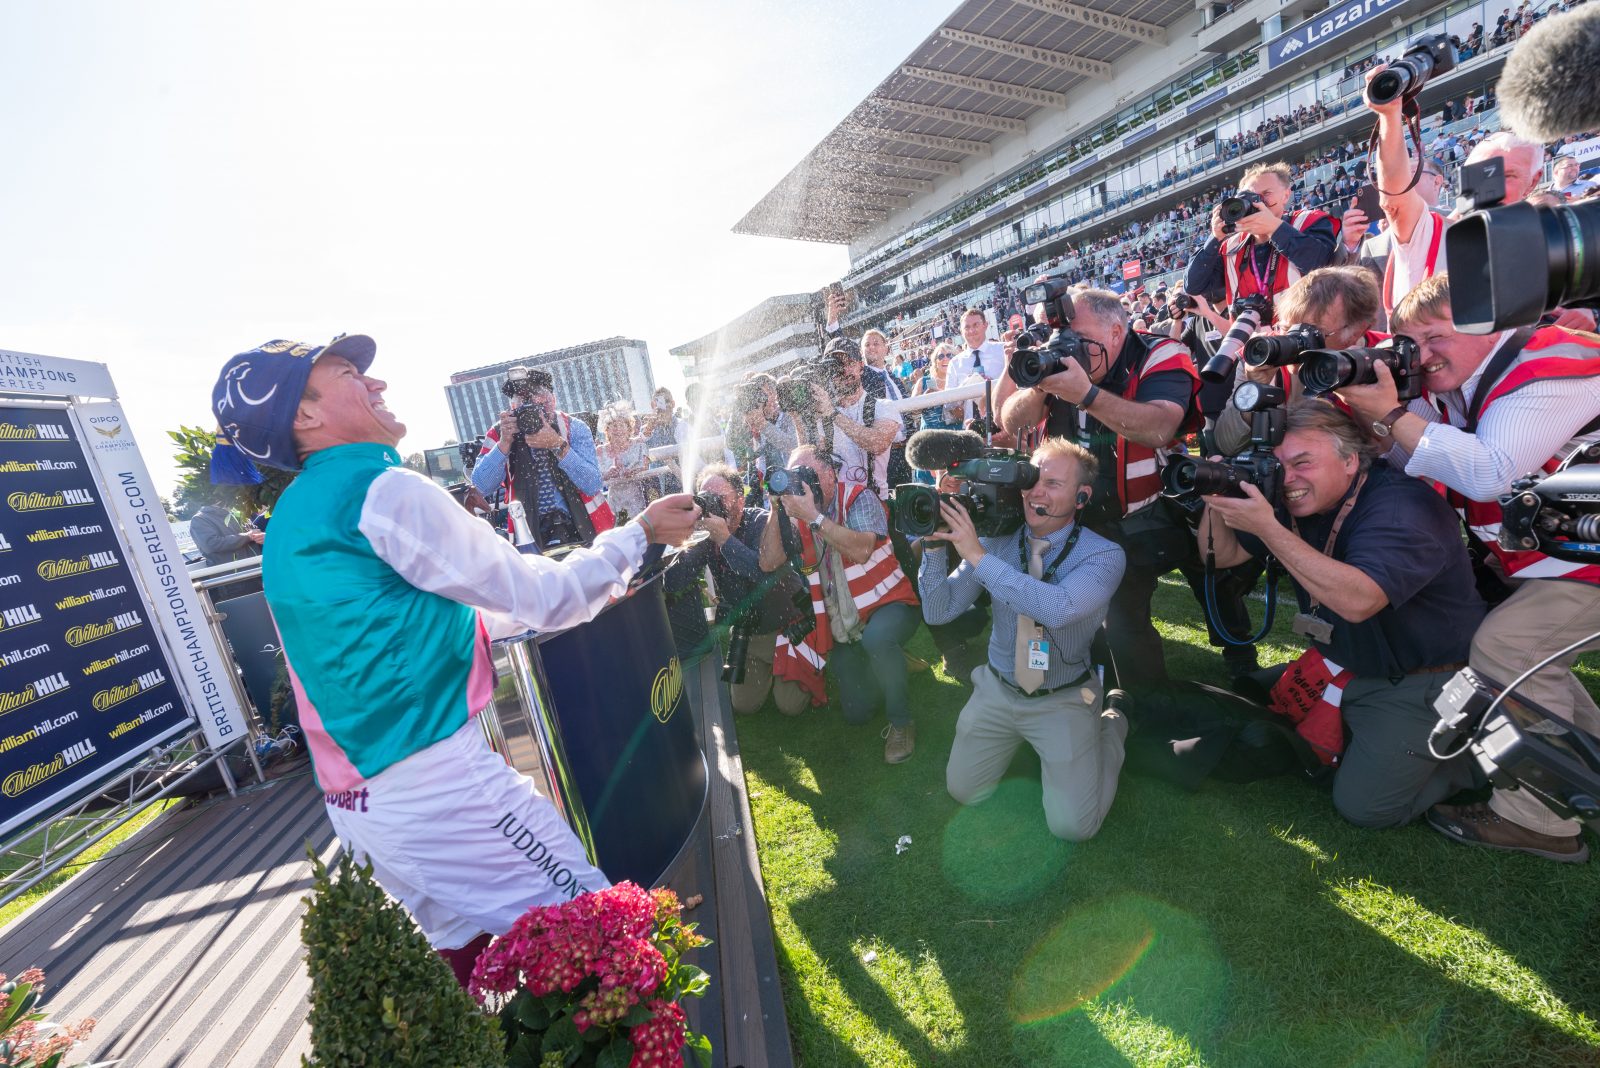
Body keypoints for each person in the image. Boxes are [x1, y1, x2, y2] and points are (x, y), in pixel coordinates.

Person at [209, 333, 699, 983]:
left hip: (357, 808)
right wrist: (637, 537)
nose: (377, 384)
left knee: (475, 968)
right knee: (611, 943)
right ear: (305, 416)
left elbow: (390, 629)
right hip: (441, 787)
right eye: (352, 374)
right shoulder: (384, 490)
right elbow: (544, 598)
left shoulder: (293, 515)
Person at [1333, 274, 1600, 861]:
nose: (1424, 356)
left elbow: (1489, 472)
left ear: (1492, 325)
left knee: (1507, 650)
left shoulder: (1550, 364)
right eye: (1413, 343)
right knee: (1535, 661)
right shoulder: (1461, 381)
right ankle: (1582, 774)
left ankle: (1540, 821)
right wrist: (1374, 415)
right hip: (1567, 559)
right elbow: (1417, 458)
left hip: (1584, 560)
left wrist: (1394, 415)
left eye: (1436, 336)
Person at [1198, 400, 1486, 827]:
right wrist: (1217, 495)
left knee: (1365, 807)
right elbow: (1222, 555)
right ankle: (1361, 731)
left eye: (1302, 463)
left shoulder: (1401, 508)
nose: (1287, 480)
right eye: (1277, 466)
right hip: (1346, 660)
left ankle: (1473, 759)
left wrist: (1270, 529)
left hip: (1421, 678)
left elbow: (1359, 600)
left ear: (1351, 460)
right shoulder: (1296, 499)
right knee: (1246, 696)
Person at [918, 438, 1129, 840]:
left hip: (1062, 697)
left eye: (1053, 484)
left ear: (1081, 497)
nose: (1035, 492)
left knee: (1073, 828)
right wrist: (932, 544)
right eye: (1032, 480)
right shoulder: (998, 540)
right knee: (964, 790)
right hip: (998, 689)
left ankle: (1113, 722)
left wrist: (979, 558)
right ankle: (1031, 746)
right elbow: (938, 611)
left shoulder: (1103, 555)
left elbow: (1058, 608)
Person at [1001, 288, 1199, 685]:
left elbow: (1160, 427)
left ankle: (1144, 711)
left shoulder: (1158, 353)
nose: (1071, 353)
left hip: (1137, 515)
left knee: (1123, 622)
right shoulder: (1062, 367)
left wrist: (1086, 395)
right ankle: (1042, 688)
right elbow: (1010, 421)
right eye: (1064, 342)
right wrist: (1041, 383)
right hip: (1066, 518)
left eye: (1081, 342)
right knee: (1044, 611)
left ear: (1115, 332)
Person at [757, 444, 922, 762]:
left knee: (878, 638)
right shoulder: (799, 511)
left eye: (810, 475)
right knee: (857, 713)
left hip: (890, 605)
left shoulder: (859, 496)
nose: (804, 484)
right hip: (846, 622)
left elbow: (861, 550)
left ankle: (902, 723)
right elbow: (768, 562)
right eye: (797, 476)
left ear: (831, 474)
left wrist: (813, 517)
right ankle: (892, 661)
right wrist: (777, 510)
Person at [469, 365, 612, 552]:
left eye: (537, 396)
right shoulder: (501, 432)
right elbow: (480, 485)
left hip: (582, 525)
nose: (530, 404)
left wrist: (557, 444)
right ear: (512, 406)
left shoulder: (573, 428)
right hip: (528, 533)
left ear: (552, 399)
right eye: (522, 398)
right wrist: (504, 444)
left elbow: (592, 484)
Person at [1183, 161, 1338, 317]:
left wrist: (1274, 228)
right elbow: (1193, 286)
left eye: (1266, 194)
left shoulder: (1307, 221)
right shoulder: (1231, 246)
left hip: (1304, 333)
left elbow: (1324, 266)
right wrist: (1215, 238)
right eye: (1250, 197)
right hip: (1252, 337)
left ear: (1286, 195)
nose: (1257, 202)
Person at [794, 338, 900, 501]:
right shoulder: (821, 412)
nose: (844, 371)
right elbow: (805, 462)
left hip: (873, 503)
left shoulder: (883, 406)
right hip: (835, 507)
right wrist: (797, 417)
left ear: (861, 366)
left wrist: (832, 414)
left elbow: (877, 444)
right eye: (836, 366)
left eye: (850, 363)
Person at [947, 308, 1007, 425]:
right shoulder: (954, 363)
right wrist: (966, 387)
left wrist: (993, 386)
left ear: (985, 325)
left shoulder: (1003, 350)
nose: (971, 330)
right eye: (967, 327)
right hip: (971, 426)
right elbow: (949, 402)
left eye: (976, 325)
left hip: (1004, 420)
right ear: (961, 331)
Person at [598, 404, 652, 522]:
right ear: (607, 430)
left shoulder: (638, 445)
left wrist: (634, 472)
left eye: (622, 425)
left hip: (637, 497)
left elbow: (645, 467)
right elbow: (594, 476)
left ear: (629, 428)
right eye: (614, 426)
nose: (618, 429)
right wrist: (608, 474)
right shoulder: (600, 451)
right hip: (614, 500)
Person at [189, 501, 264, 567]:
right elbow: (211, 544)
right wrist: (247, 536)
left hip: (257, 569)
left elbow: (254, 532)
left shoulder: (236, 513)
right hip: (233, 577)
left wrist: (262, 536)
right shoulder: (199, 519)